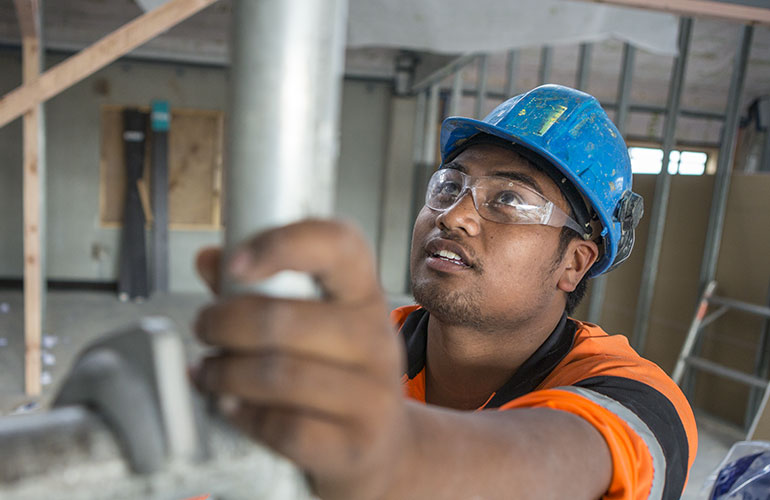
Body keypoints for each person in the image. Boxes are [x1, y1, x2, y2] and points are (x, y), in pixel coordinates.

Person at [193, 84, 697, 500]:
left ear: (573, 262)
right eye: (449, 186)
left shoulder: (638, 396)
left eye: (508, 199)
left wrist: (391, 451)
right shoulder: (367, 349)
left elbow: (561, 460)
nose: (454, 215)